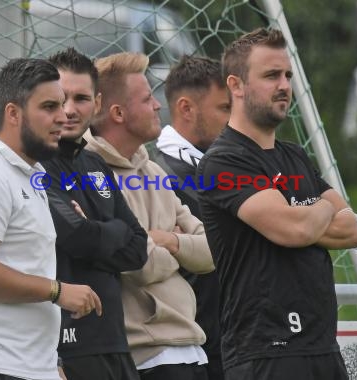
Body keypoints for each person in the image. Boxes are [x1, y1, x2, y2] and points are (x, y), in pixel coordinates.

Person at [197, 28, 357, 380]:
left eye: (287, 75)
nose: (284, 85)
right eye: (271, 75)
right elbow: (296, 229)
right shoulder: (222, 162)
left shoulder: (294, 156)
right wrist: (319, 208)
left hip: (322, 346)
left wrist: (300, 213)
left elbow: (353, 230)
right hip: (266, 352)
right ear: (236, 85)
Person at [0, 58, 102, 380]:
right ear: (13, 113)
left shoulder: (32, 175)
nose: (63, 115)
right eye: (49, 106)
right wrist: (57, 291)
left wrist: (49, 363)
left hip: (30, 367)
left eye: (64, 104)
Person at [85, 52, 215, 380]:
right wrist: (181, 249)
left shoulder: (153, 169)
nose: (158, 105)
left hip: (191, 344)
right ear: (117, 113)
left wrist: (166, 239)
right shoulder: (92, 176)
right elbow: (140, 264)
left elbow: (213, 251)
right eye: (146, 99)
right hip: (146, 355)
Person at [42, 47, 147, 380]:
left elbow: (139, 248)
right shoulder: (34, 165)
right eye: (61, 98)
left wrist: (96, 232)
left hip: (115, 342)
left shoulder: (95, 164)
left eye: (81, 98)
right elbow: (77, 237)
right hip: (66, 347)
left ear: (98, 104)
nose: (70, 110)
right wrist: (109, 230)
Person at [154, 55, 230, 380]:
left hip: (229, 344)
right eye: (224, 108)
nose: (235, 119)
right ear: (186, 109)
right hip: (193, 349)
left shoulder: (222, 168)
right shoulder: (159, 176)